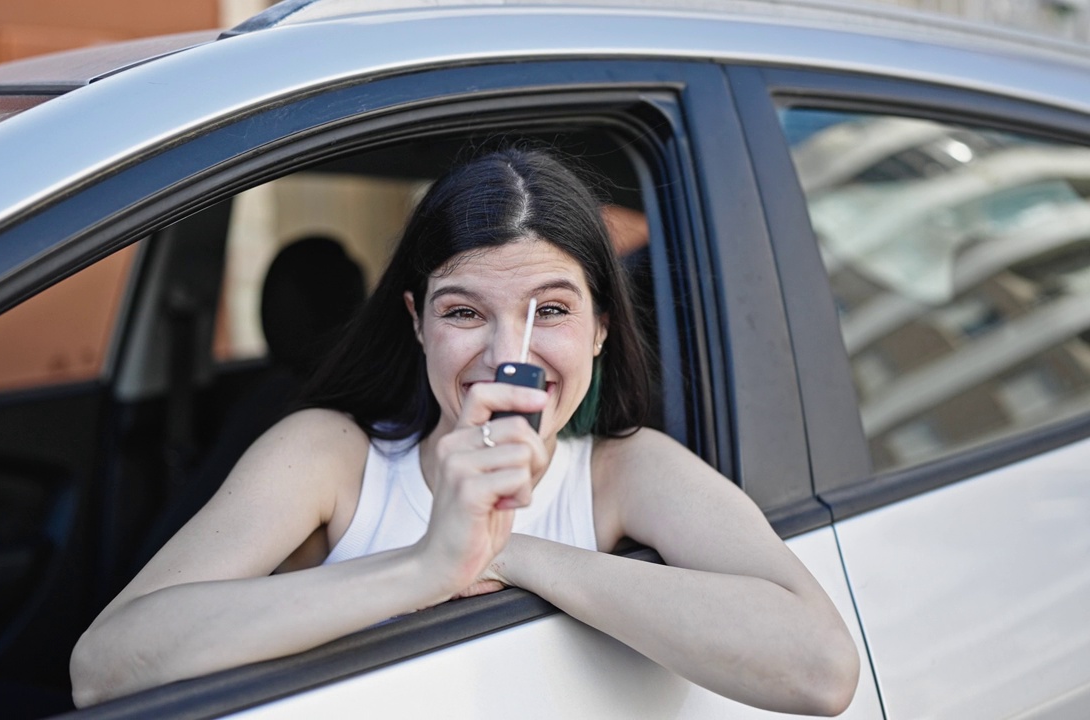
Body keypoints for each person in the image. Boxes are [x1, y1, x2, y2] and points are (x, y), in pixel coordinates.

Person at [70, 149, 860, 714]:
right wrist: (423, 567)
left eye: (551, 310)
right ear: (418, 324)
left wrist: (507, 555)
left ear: (600, 329)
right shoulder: (329, 456)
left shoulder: (627, 472)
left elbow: (819, 672)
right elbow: (107, 670)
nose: (507, 355)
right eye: (463, 312)